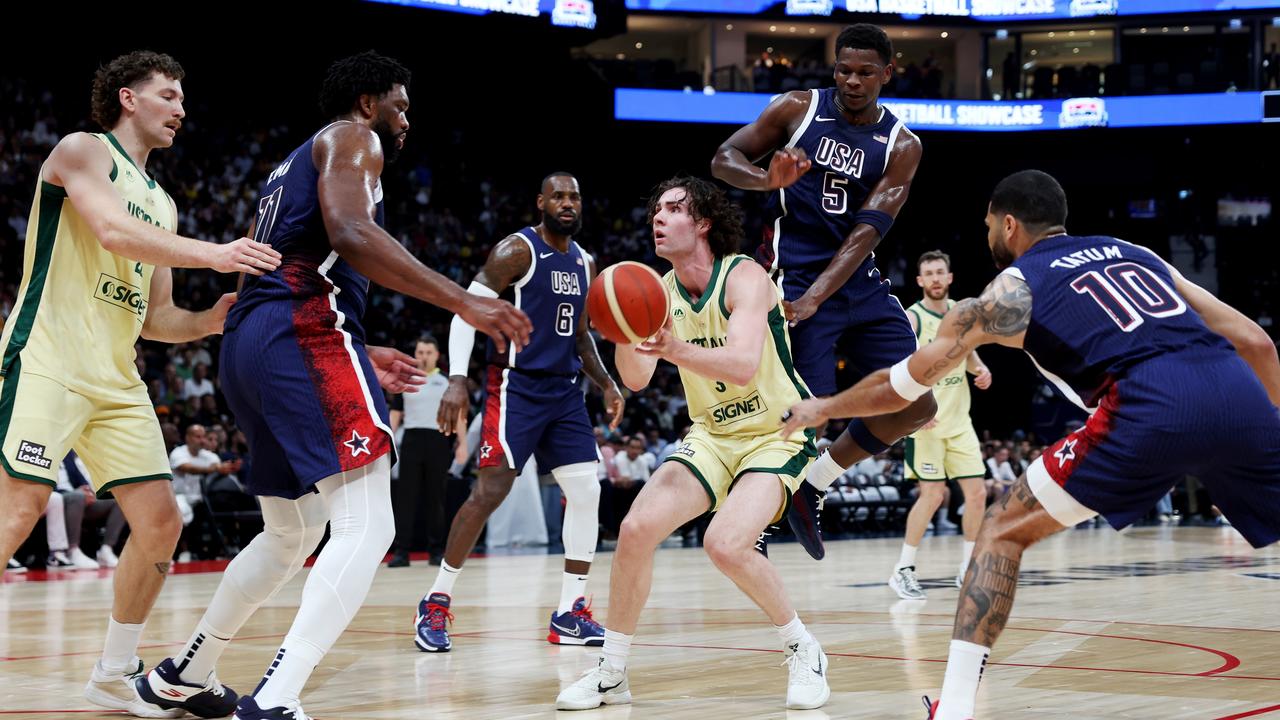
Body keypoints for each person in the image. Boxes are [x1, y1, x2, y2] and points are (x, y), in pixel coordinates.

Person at [780, 170, 1280, 720]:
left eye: (989, 224)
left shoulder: (1010, 290)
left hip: (1147, 405)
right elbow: (1255, 340)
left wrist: (823, 407)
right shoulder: (1134, 252)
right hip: (1236, 392)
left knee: (999, 531)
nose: (988, 233)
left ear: (1009, 223)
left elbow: (900, 385)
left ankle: (955, 708)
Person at [135, 51, 531, 720]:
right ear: (369, 103)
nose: (408, 120)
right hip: (300, 334)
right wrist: (463, 301)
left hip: (254, 342)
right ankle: (276, 696)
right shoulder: (355, 137)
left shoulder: (288, 163)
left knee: (292, 534)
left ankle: (183, 674)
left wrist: (357, 345)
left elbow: (285, 266)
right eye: (401, 106)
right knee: (368, 522)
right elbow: (350, 233)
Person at [0, 50, 281, 718]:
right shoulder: (81, 151)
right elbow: (109, 229)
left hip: (117, 380)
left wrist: (211, 319)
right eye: (169, 95)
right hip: (48, 359)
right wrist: (216, 254)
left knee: (159, 524)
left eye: (183, 99)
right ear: (129, 98)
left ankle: (113, 671)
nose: (181, 108)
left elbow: (157, 319)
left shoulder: (163, 202)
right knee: (18, 511)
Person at [556, 176, 830, 712]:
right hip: (712, 434)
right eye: (656, 209)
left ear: (702, 223)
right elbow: (635, 378)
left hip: (776, 431)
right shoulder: (656, 291)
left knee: (725, 544)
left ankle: (803, 647)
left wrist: (674, 346)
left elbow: (744, 365)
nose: (659, 217)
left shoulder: (745, 276)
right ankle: (613, 672)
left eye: (674, 208)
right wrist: (627, 331)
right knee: (635, 530)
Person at [712, 23, 934, 560]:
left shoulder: (902, 145)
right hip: (792, 276)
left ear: (887, 72)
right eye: (843, 70)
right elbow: (723, 159)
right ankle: (754, 523)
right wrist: (767, 181)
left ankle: (814, 484)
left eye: (864, 72)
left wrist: (819, 297)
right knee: (799, 419)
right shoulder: (798, 109)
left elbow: (867, 231)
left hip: (857, 281)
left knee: (916, 404)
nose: (852, 81)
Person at [417, 172, 624, 652]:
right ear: (541, 202)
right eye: (559, 196)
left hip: (566, 393)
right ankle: (435, 601)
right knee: (490, 491)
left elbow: (580, 336)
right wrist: (456, 379)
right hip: (516, 387)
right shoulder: (517, 251)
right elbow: (465, 309)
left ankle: (570, 612)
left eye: (575, 195)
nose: (568, 203)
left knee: (586, 492)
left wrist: (607, 381)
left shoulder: (586, 262)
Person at [890, 251, 993, 600]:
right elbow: (898, 367)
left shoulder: (961, 314)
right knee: (932, 496)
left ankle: (967, 568)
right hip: (927, 424)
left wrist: (979, 369)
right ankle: (903, 569)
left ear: (950, 278)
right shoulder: (913, 318)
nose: (935, 278)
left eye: (940, 272)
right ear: (919, 281)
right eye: (928, 273)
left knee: (977, 494)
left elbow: (966, 352)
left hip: (959, 421)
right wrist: (916, 406)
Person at [387, 335, 463, 567]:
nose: (424, 357)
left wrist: (464, 444)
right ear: (415, 354)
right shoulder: (406, 382)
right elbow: (395, 415)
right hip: (411, 441)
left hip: (438, 441)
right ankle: (401, 552)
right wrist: (387, 442)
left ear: (437, 355)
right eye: (420, 352)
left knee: (436, 499)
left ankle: (436, 551)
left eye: (428, 352)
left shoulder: (447, 383)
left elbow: (458, 414)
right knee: (405, 499)